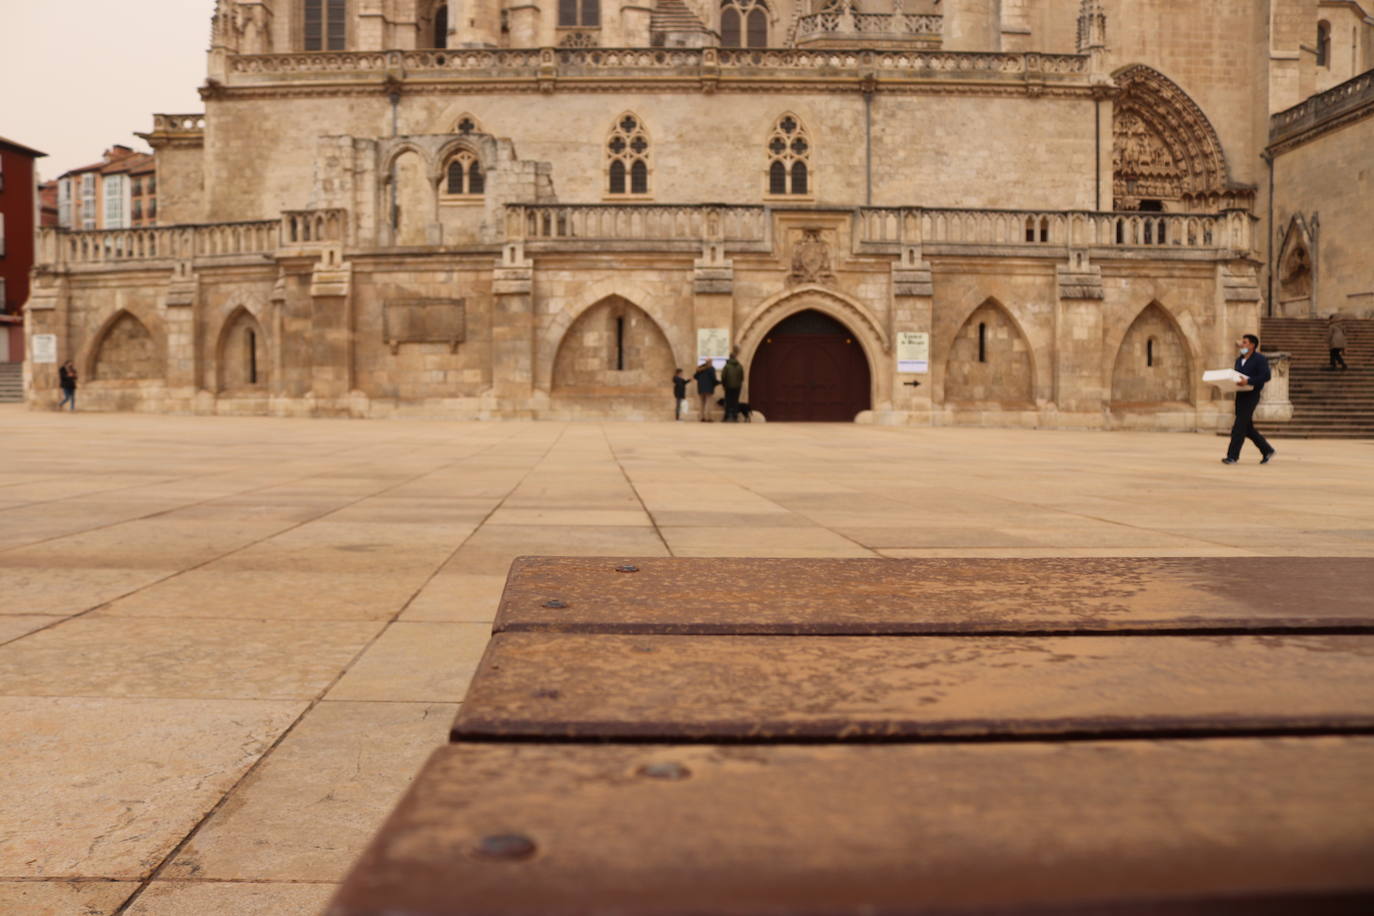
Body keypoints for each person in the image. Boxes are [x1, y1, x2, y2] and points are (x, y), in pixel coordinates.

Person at [1223, 334, 1275, 465]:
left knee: (1239, 426)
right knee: (1247, 427)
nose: (1242, 345)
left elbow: (1266, 376)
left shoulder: (1259, 359)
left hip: (1252, 395)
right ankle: (1267, 450)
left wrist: (1249, 381)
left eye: (1244, 342)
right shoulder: (1238, 360)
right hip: (1240, 395)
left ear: (1252, 345)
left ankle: (1232, 456)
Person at [720, 347, 745, 422]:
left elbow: (723, 376)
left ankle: (727, 416)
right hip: (737, 387)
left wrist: (724, 385)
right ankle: (735, 416)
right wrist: (739, 384)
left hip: (728, 386)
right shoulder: (739, 366)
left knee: (728, 401)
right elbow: (742, 377)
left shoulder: (727, 366)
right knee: (735, 401)